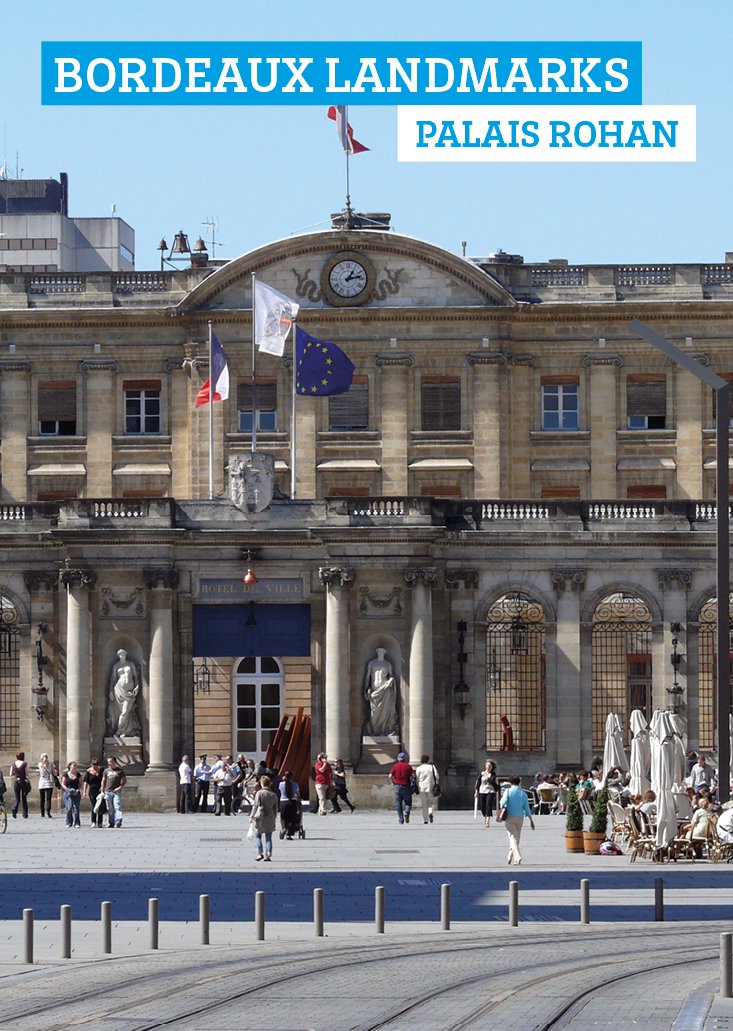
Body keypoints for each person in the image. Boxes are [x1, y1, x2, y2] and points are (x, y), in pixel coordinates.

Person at [499, 775, 535, 865]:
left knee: (512, 837)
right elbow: (526, 807)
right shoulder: (523, 793)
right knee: (516, 838)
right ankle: (510, 856)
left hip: (510, 816)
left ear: (510, 782)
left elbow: (502, 802)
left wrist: (503, 805)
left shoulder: (507, 791)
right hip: (520, 817)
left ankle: (517, 857)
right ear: (519, 782)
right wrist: (531, 819)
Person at [363, 648, 399, 738]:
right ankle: (375, 730)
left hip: (385, 690)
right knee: (374, 713)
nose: (380, 654)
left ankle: (384, 729)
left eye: (382, 652)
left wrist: (391, 680)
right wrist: (366, 688)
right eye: (379, 652)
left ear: (384, 653)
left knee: (385, 712)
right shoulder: (372, 663)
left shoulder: (387, 664)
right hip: (374, 691)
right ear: (377, 653)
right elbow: (367, 677)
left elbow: (391, 676)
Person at [108, 649, 141, 737]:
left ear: (126, 655)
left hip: (129, 691)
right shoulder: (116, 666)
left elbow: (136, 676)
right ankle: (122, 731)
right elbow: (113, 679)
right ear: (118, 656)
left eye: (123, 654)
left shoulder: (131, 664)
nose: (122, 656)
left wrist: (137, 686)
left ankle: (120, 730)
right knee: (122, 712)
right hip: (119, 690)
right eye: (120, 654)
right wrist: (110, 691)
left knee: (125, 711)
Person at [251, 774, 279, 861]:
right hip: (270, 816)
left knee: (258, 835)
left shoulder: (259, 793)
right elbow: (276, 808)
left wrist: (252, 815)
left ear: (262, 784)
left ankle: (259, 853)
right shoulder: (273, 794)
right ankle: (268, 854)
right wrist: (274, 816)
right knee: (268, 837)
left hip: (260, 816)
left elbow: (255, 806)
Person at [389, 751, 414, 825]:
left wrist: (393, 782)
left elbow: (390, 776)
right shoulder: (408, 766)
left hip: (397, 786)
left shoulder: (395, 766)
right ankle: (407, 812)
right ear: (404, 759)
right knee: (408, 802)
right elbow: (413, 776)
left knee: (398, 804)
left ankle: (401, 819)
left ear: (398, 759)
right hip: (407, 786)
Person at [101, 755, 127, 828]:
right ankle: (111, 822)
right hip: (108, 791)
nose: (109, 763)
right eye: (108, 762)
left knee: (117, 806)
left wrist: (120, 787)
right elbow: (103, 781)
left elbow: (124, 780)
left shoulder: (120, 771)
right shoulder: (106, 771)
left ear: (114, 762)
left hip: (116, 792)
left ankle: (118, 821)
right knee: (110, 808)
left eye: (110, 762)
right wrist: (102, 790)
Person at [414, 753, 439, 824]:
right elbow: (437, 776)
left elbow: (417, 778)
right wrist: (436, 782)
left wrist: (417, 785)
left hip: (421, 787)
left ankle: (425, 819)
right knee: (430, 801)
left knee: (424, 804)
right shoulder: (432, 767)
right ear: (428, 760)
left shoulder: (418, 768)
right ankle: (430, 812)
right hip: (430, 786)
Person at [475, 759, 500, 827]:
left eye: (490, 766)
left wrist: (486, 776)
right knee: (482, 807)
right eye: (487, 765)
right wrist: (476, 792)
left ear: (492, 767)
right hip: (482, 791)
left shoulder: (493, 774)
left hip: (490, 791)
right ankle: (485, 816)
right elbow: (478, 783)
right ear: (485, 766)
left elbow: (491, 781)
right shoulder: (481, 773)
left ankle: (487, 821)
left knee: (488, 805)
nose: (488, 767)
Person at [278, 769, 301, 838]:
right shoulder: (295, 784)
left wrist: (283, 779)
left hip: (283, 802)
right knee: (292, 818)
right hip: (292, 802)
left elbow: (280, 790)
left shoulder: (281, 784)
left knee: (283, 817)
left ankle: (284, 828)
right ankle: (289, 834)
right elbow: (298, 794)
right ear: (292, 777)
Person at [83, 758, 104, 827]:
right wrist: (84, 792)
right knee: (94, 806)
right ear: (91, 764)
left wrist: (103, 788)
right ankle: (93, 821)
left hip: (100, 790)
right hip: (92, 790)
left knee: (100, 806)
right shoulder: (88, 772)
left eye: (96, 764)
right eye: (94, 764)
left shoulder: (102, 770)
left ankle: (100, 822)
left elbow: (104, 780)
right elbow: (85, 782)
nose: (95, 766)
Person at [61, 761, 82, 828]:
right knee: (69, 808)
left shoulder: (78, 775)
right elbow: (63, 784)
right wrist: (67, 790)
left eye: (76, 766)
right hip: (68, 793)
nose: (75, 767)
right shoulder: (66, 775)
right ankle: (69, 822)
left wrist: (77, 791)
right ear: (70, 766)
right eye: (74, 765)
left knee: (76, 808)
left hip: (76, 793)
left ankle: (77, 823)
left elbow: (81, 785)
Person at [9, 751, 30, 819]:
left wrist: (16, 775)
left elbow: (11, 774)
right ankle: (25, 814)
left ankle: (14, 808)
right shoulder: (24, 764)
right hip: (23, 781)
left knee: (17, 798)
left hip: (16, 782)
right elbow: (27, 773)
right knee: (24, 798)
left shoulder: (13, 764)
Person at [38, 752, 57, 818]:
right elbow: (54, 772)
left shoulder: (40, 764)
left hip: (42, 783)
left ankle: (42, 813)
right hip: (49, 782)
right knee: (48, 799)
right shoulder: (50, 764)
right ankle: (48, 812)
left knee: (42, 798)